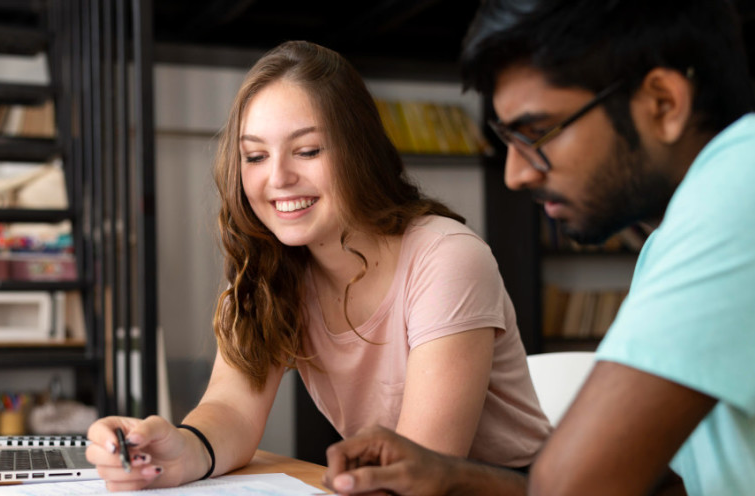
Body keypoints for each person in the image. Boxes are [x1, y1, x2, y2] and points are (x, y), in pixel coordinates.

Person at [323, 0, 755, 495]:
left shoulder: (742, 185)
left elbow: (573, 487)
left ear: (663, 103)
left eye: (536, 133)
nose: (516, 174)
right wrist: (453, 477)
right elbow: (664, 489)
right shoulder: (668, 240)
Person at [85, 40, 551, 491]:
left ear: (359, 151)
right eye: (255, 156)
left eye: (307, 150)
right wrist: (176, 451)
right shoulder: (270, 268)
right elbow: (232, 409)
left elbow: (422, 467)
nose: (279, 178)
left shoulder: (447, 257)